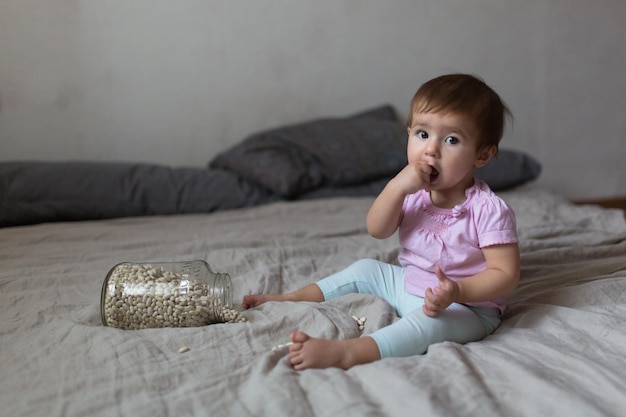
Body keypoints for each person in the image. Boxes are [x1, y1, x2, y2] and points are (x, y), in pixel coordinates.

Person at [243, 74, 520, 370]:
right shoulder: (413, 191)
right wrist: (396, 187)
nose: (431, 150)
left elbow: (505, 274)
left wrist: (458, 290)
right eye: (422, 134)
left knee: (427, 326)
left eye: (451, 140)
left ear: (482, 154)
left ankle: (349, 352)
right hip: (408, 284)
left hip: (465, 308)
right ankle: (291, 297)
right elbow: (378, 229)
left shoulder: (488, 209)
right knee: (367, 269)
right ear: (409, 132)